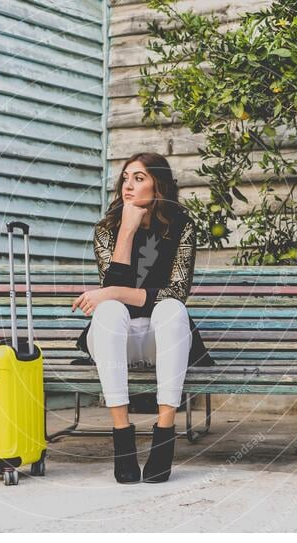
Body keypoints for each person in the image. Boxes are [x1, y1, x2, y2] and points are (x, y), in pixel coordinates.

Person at [72, 152, 214, 484]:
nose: (129, 186)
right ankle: (122, 435)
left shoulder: (181, 227)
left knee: (171, 309)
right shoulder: (106, 230)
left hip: (160, 340)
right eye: (125, 178)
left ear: (158, 184)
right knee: (108, 310)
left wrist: (109, 293)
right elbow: (114, 287)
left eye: (139, 178)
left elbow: (176, 291)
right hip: (115, 340)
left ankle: (165, 433)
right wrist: (126, 231)